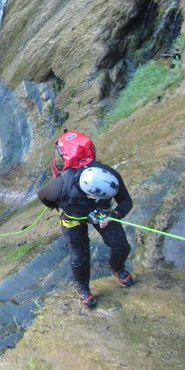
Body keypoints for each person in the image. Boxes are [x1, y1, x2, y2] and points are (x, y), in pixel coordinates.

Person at [37, 130, 134, 309]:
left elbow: (126, 201)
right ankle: (82, 288)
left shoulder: (107, 177)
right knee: (80, 256)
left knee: (121, 245)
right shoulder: (62, 185)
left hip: (101, 213)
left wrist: (115, 215)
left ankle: (117, 267)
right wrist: (64, 206)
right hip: (72, 217)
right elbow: (44, 196)